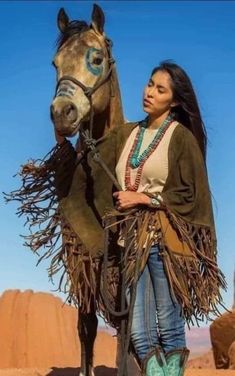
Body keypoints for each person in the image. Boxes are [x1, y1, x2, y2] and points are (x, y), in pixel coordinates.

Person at [52, 60, 226, 375]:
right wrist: (63, 140)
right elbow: (88, 167)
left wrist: (145, 198)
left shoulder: (180, 137)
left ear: (173, 101)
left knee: (169, 325)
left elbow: (190, 194)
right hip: (129, 244)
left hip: (163, 243)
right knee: (139, 332)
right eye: (149, 84)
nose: (149, 93)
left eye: (160, 90)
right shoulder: (126, 134)